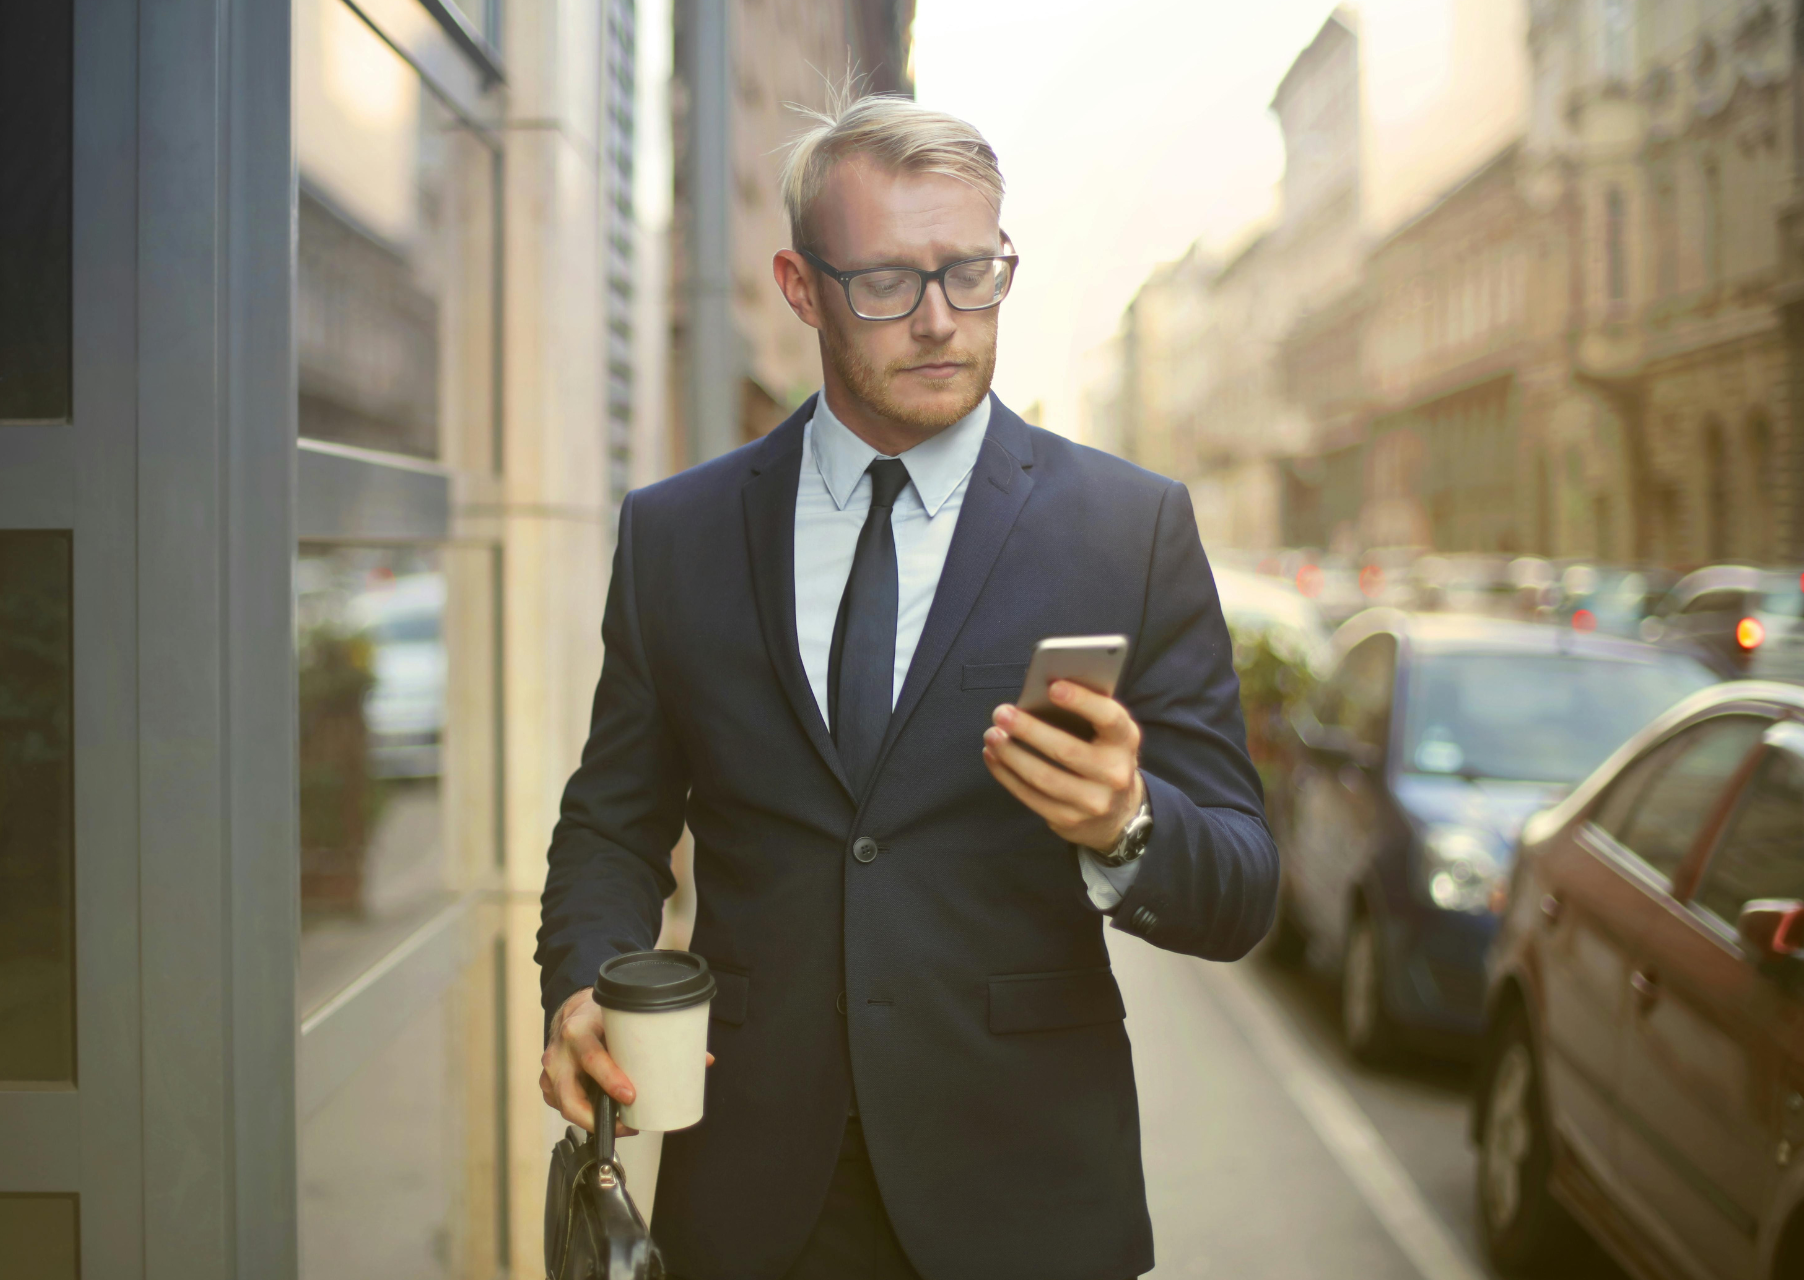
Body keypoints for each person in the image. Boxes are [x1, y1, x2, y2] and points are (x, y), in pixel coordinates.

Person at [536, 93, 1277, 1280]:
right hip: (756, 1196)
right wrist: (579, 981)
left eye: (972, 273)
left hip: (1029, 1196)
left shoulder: (1130, 528)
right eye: (886, 282)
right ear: (798, 283)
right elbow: (612, 825)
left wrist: (1126, 825)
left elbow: (1241, 887)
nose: (941, 320)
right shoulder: (677, 533)